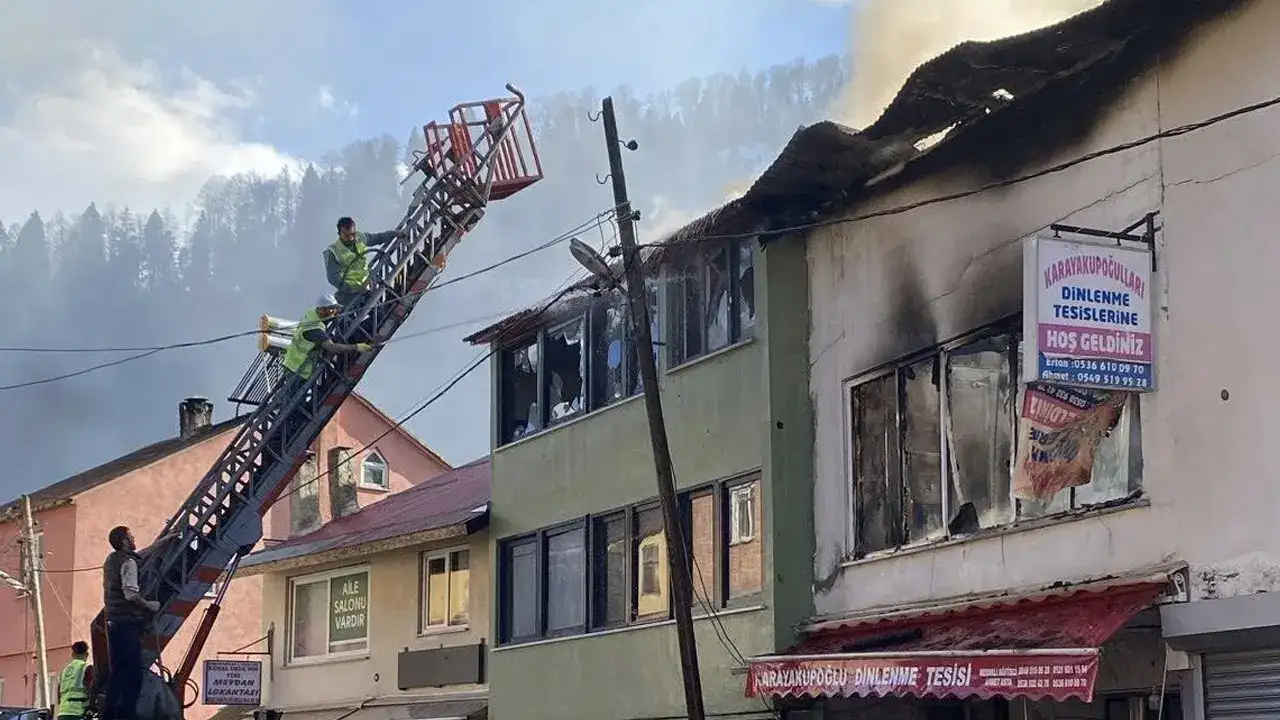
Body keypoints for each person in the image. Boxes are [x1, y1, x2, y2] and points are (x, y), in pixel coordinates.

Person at [102, 526, 179, 720]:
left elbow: (143, 553)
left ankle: (109, 714)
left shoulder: (112, 560)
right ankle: (127, 714)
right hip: (127, 623)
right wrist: (149, 606)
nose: (134, 539)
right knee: (133, 673)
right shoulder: (128, 562)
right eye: (131, 536)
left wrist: (164, 541)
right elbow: (130, 594)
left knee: (118, 672)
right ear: (125, 542)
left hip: (113, 622)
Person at [324, 216, 405, 309]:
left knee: (380, 311)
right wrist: (354, 288)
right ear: (339, 234)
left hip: (367, 285)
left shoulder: (360, 238)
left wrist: (393, 234)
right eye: (346, 235)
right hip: (349, 294)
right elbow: (333, 278)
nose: (351, 238)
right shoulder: (333, 252)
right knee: (364, 316)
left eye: (353, 234)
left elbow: (377, 238)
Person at [55, 641, 91, 720]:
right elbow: (91, 691)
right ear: (87, 654)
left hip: (62, 713)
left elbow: (59, 697)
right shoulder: (87, 668)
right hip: (77, 713)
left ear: (73, 655)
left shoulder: (64, 671)